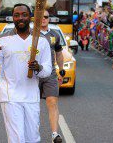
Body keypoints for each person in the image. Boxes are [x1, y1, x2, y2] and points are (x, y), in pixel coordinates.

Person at [0, 3, 52, 143]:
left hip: (32, 96)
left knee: (33, 139)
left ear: (31, 17)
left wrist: (38, 68)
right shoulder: (2, 40)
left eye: (24, 15)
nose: (20, 18)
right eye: (16, 15)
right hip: (10, 95)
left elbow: (47, 71)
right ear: (13, 18)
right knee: (17, 139)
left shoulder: (41, 41)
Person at [40, 10, 65, 143]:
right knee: (31, 105)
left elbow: (59, 53)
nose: (43, 19)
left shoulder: (54, 35)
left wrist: (61, 70)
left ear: (49, 19)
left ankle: (55, 134)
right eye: (41, 16)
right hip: (34, 75)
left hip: (50, 74)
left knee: (52, 102)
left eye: (46, 17)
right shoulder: (31, 34)